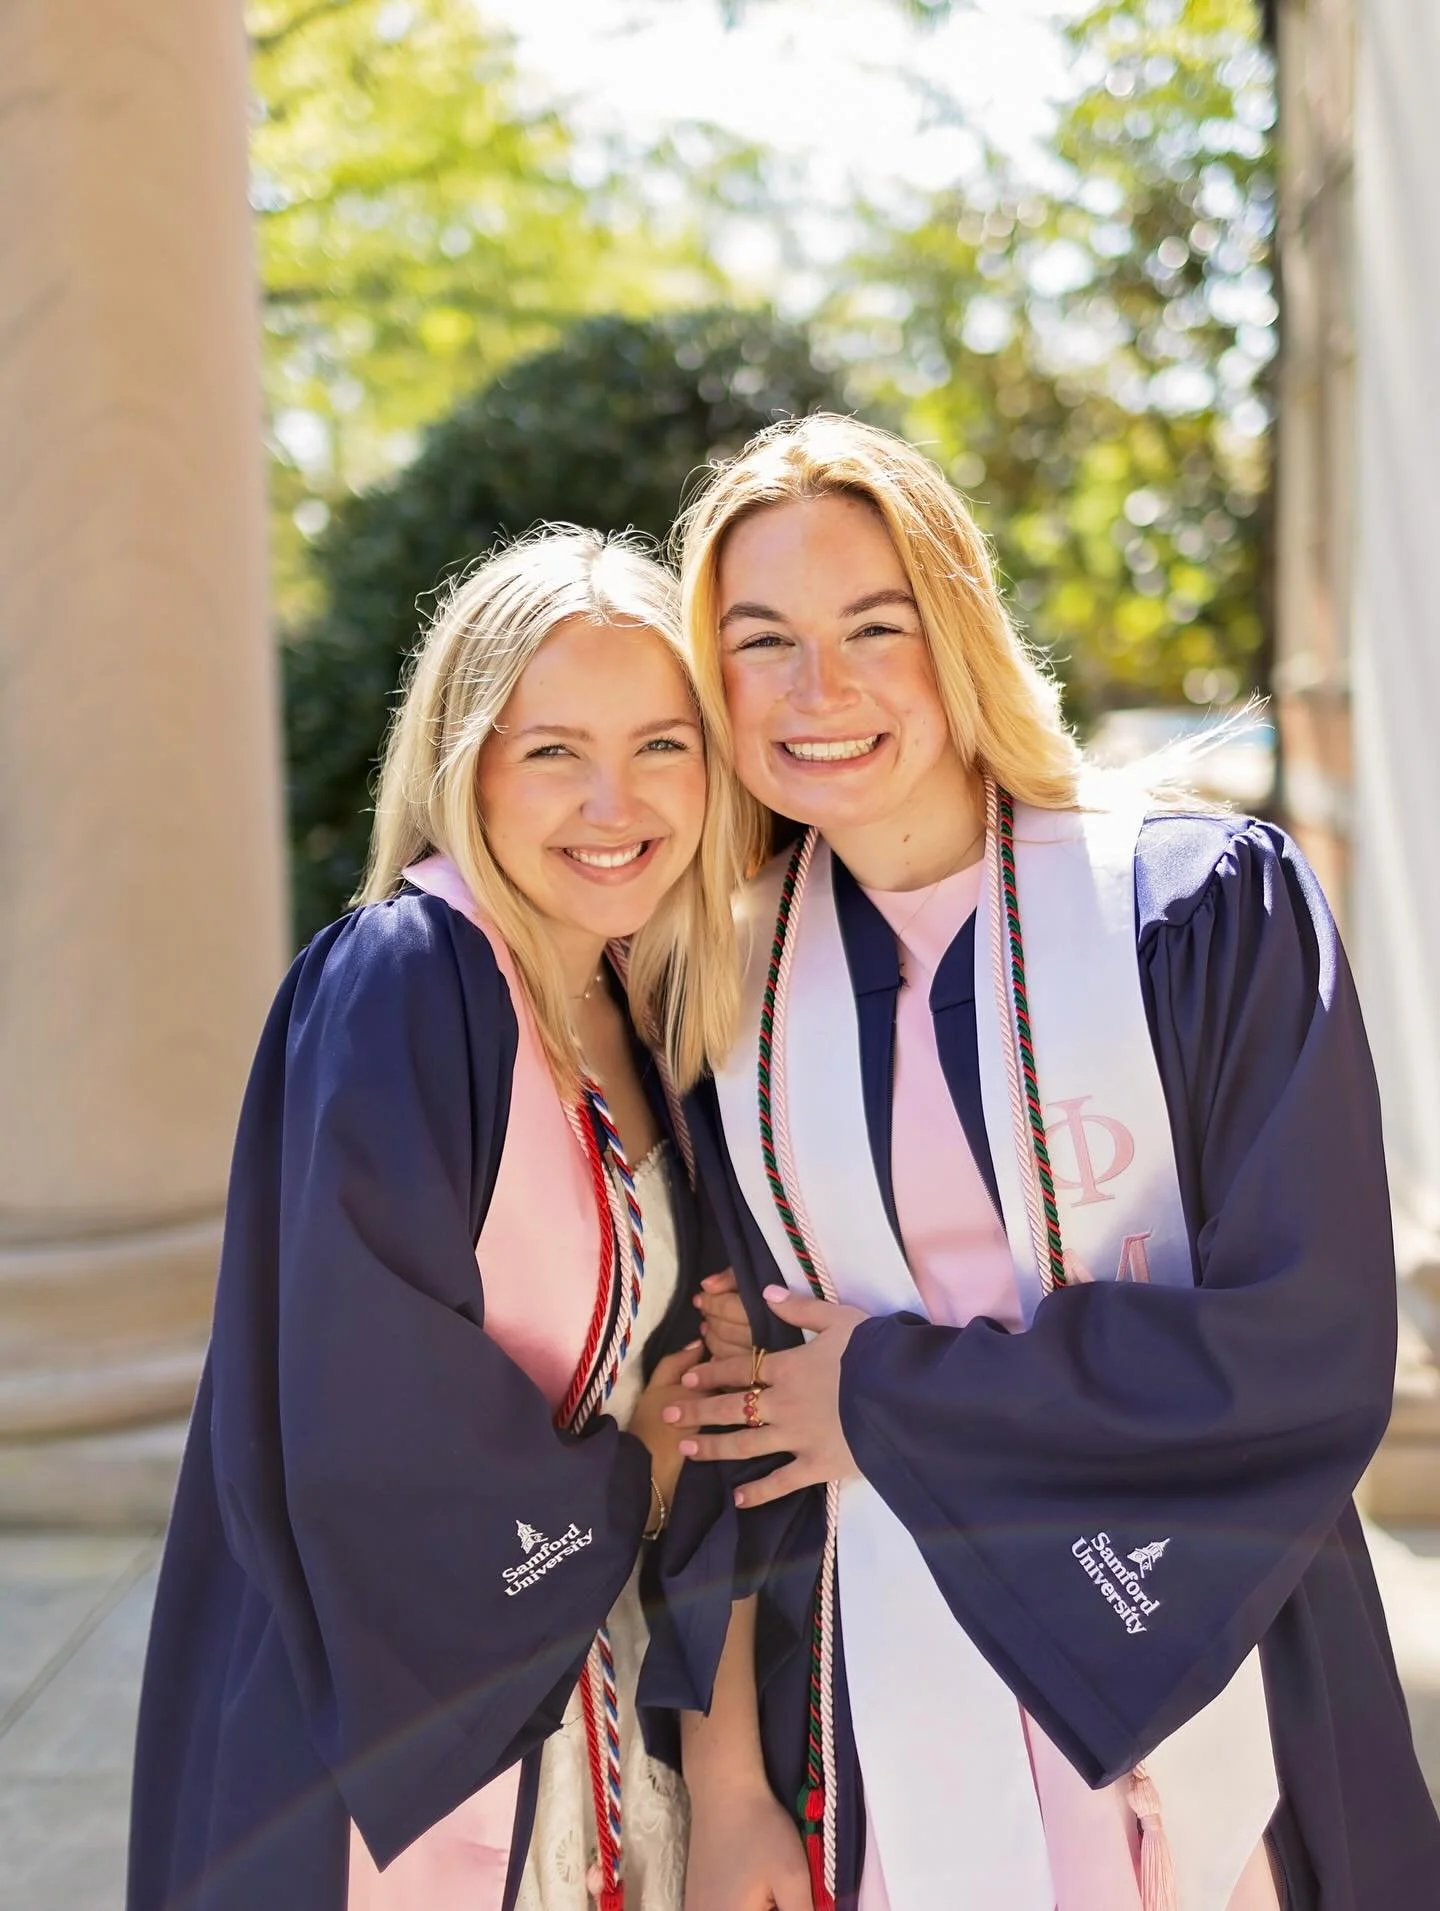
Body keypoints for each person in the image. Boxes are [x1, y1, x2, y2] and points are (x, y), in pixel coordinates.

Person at [648, 416, 1440, 1911]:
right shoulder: (719, 1004)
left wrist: (885, 1398)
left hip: (1228, 1662)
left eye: (874, 626)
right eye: (763, 643)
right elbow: (734, 1441)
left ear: (955, 631)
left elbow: (1311, 1344)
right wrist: (733, 1787)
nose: (823, 691)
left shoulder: (1201, 915)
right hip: (876, 1710)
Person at [127, 529, 754, 1911]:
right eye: (552, 752)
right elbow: (366, 1411)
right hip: (401, 1734)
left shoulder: (639, 1008)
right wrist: (631, 1477)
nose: (616, 800)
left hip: (593, 1699)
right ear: (462, 763)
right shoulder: (406, 978)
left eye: (664, 743)